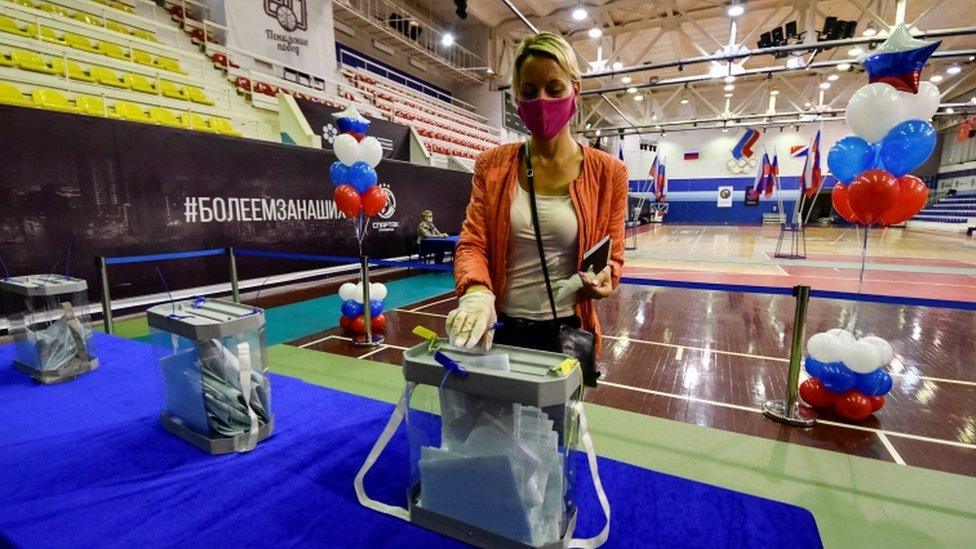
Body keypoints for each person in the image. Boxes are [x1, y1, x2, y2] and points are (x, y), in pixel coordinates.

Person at [446, 32, 628, 366]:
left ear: (576, 88)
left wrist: (606, 279)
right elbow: (473, 244)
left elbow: (612, 257)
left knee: (561, 418)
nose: (542, 101)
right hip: (501, 327)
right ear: (516, 98)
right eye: (529, 92)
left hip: (569, 330)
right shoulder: (492, 165)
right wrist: (475, 294)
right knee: (498, 417)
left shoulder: (609, 173)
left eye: (554, 89)